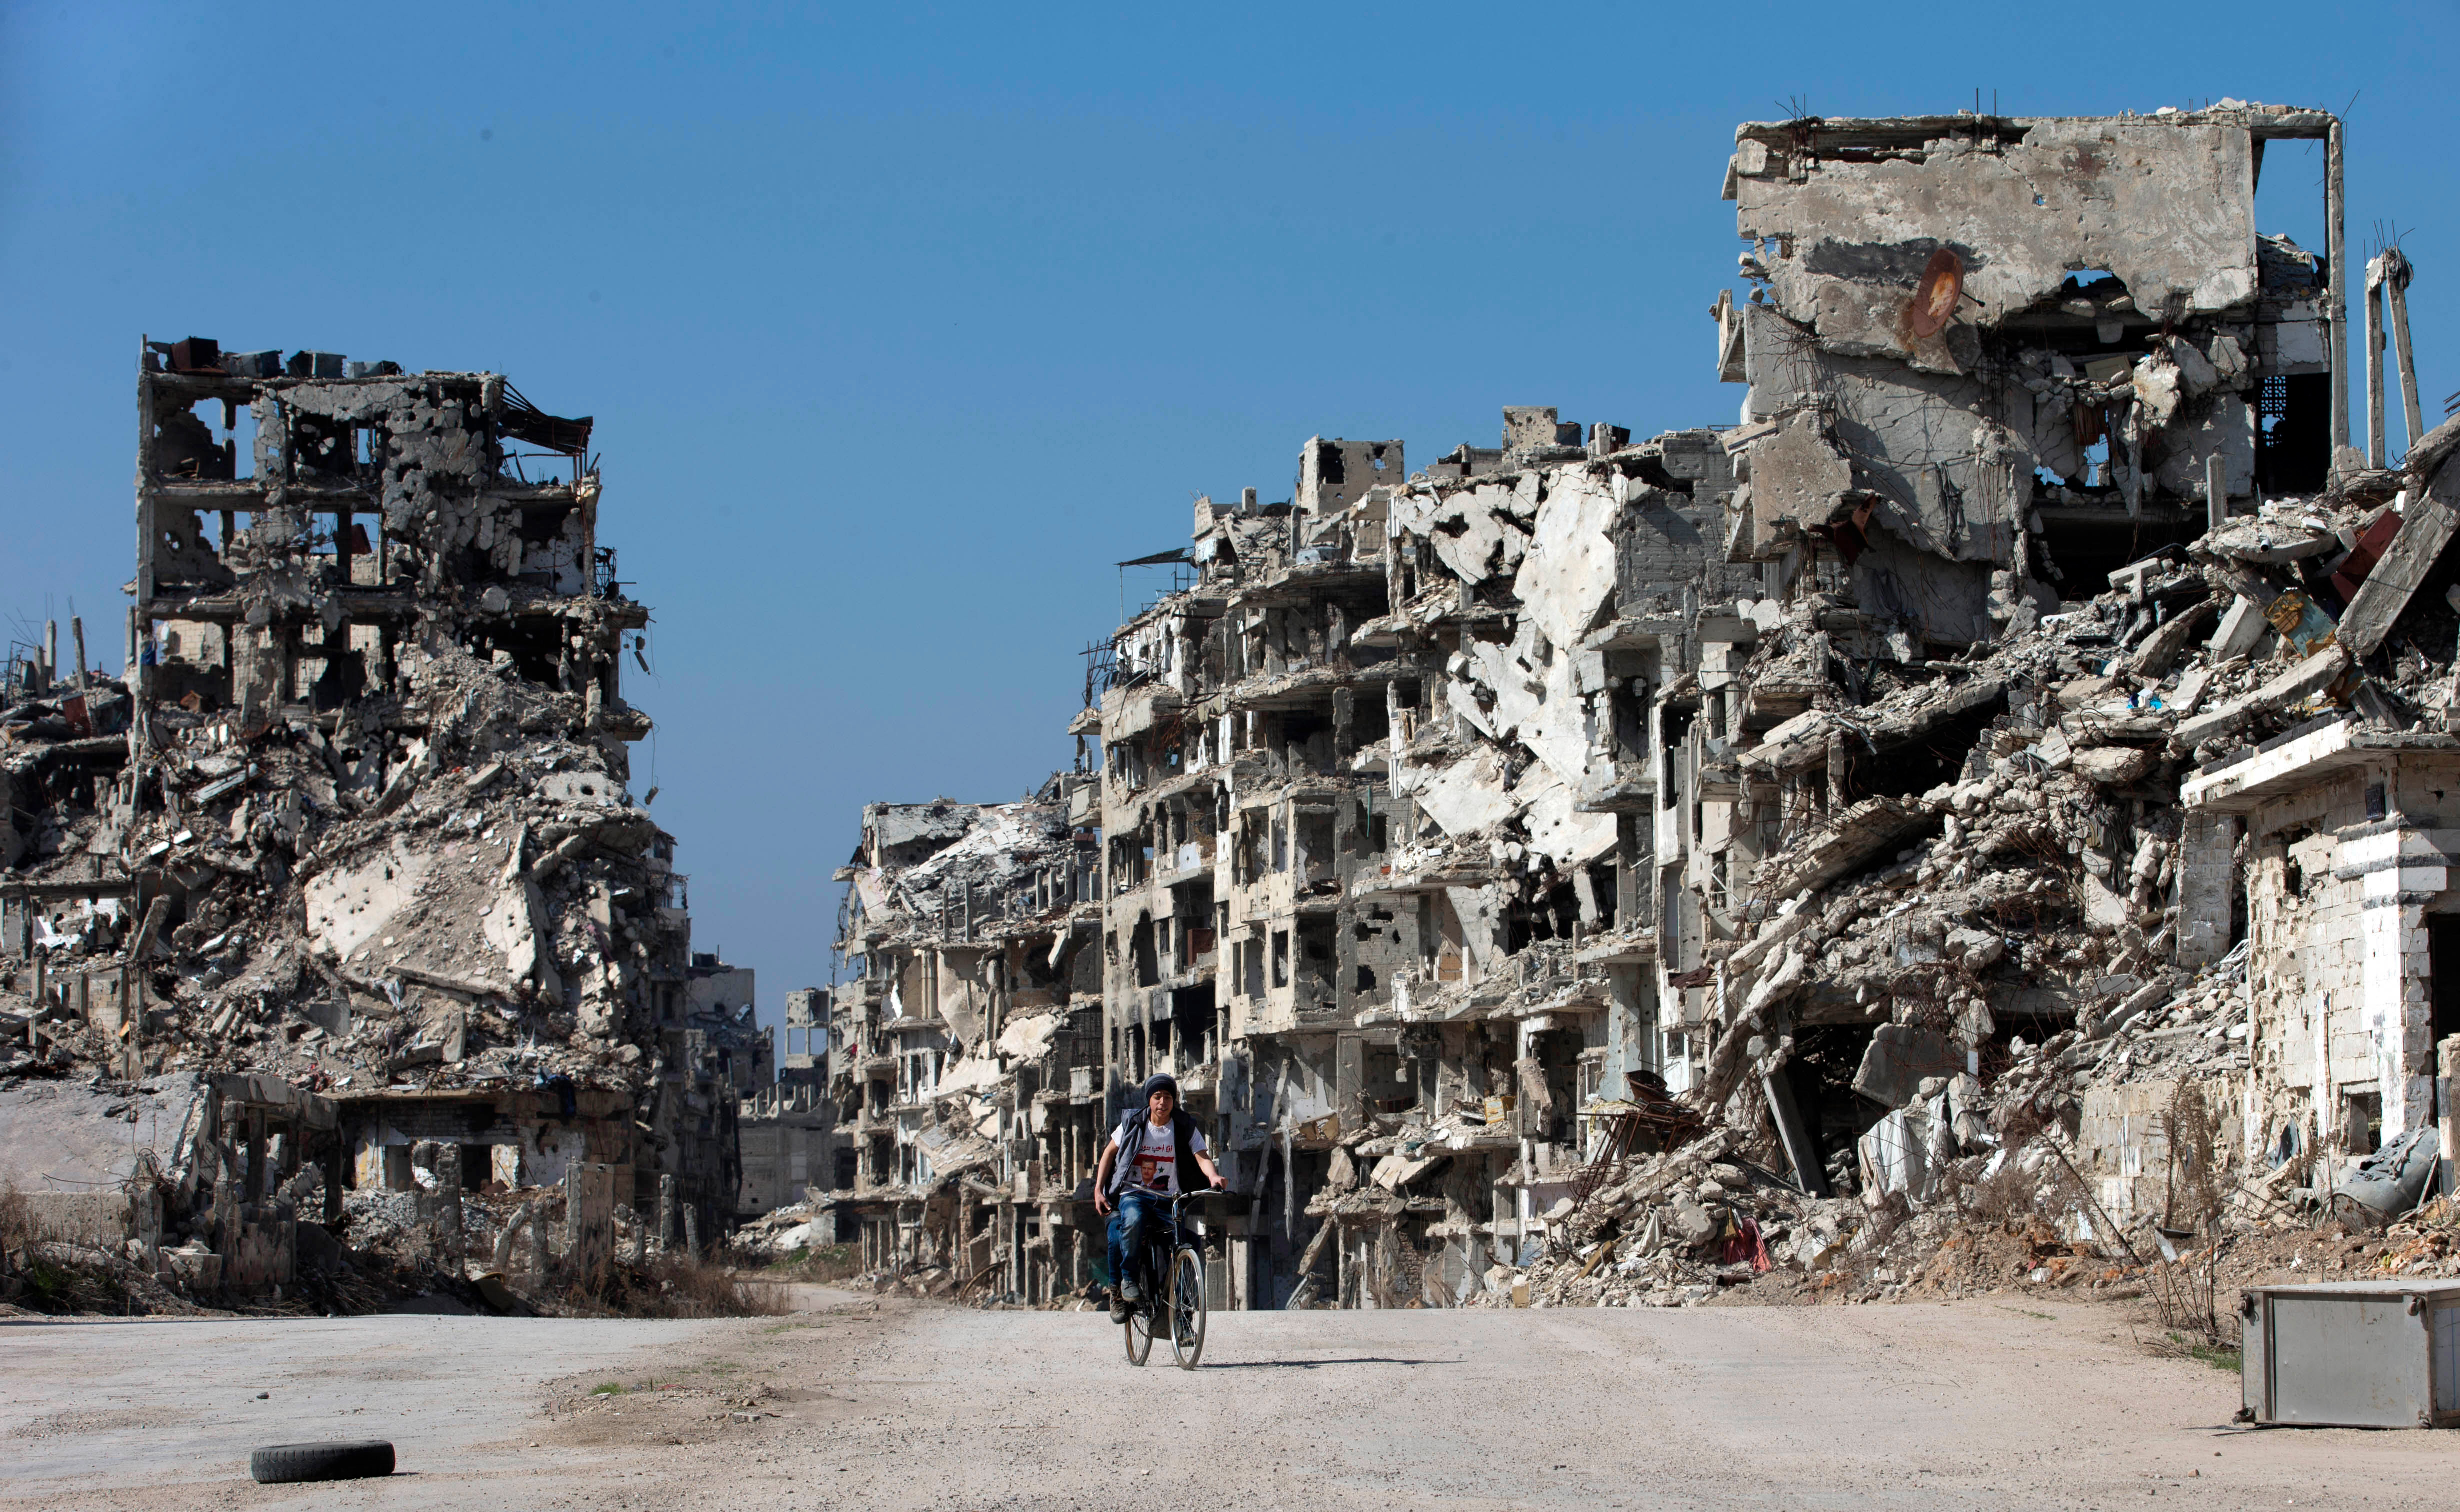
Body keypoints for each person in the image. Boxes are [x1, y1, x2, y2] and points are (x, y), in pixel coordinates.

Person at [1092, 1072, 1226, 1323]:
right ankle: (1128, 1279)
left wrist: (1214, 1177)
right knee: (1133, 1220)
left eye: (1167, 1097)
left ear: (1174, 1101)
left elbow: (1202, 1156)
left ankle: (1183, 1315)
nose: (1163, 1103)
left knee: (1188, 1245)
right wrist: (1099, 1189)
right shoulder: (1134, 1122)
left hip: (1169, 1199)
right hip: (1135, 1194)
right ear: (1149, 1101)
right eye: (1157, 1097)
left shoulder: (1185, 1125)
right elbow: (1109, 1153)